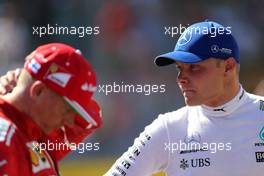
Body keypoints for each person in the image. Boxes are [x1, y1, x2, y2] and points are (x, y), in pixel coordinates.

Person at [104, 21, 264, 175]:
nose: (181, 78)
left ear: (228, 67)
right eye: (179, 68)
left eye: (194, 67)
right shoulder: (169, 128)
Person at [0, 43, 102, 175]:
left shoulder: (36, 134)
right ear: (38, 91)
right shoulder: (6, 141)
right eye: (67, 110)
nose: (70, 121)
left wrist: (27, 79)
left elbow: (89, 120)